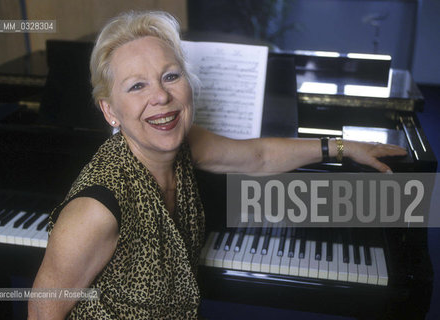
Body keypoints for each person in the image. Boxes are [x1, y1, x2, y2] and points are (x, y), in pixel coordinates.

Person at [28, 10, 406, 319]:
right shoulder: (95, 209)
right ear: (110, 110)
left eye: (170, 76)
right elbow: (42, 311)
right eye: (136, 86)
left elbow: (258, 156)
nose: (161, 96)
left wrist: (340, 146)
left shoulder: (186, 145)